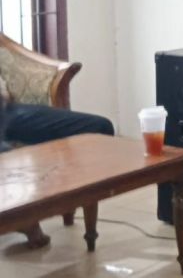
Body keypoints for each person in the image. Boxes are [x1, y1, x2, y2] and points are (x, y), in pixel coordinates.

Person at [0, 67, 115, 248]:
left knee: (100, 127)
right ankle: (21, 217)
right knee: (7, 157)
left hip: (7, 110)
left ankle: (66, 200)